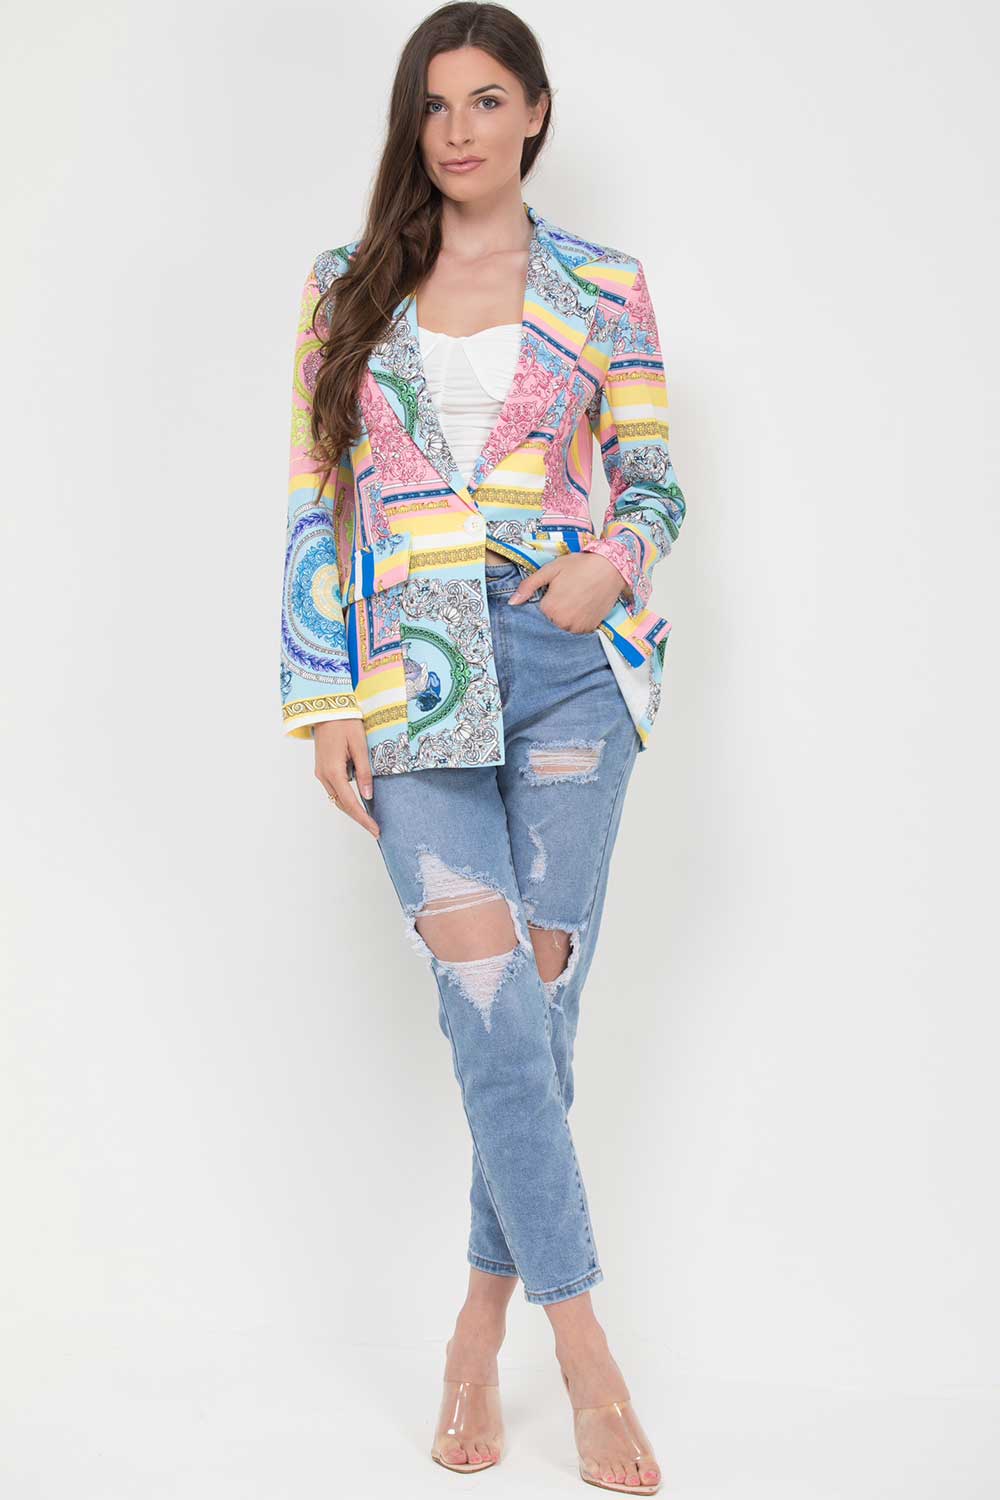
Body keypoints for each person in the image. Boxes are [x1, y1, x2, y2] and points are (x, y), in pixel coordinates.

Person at [279, 4, 686, 1491]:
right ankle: (578, 1352)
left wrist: (611, 567)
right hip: (415, 675)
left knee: (538, 1019)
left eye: (487, 100)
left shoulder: (605, 285)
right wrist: (324, 698)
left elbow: (655, 477)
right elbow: (315, 499)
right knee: (495, 1013)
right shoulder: (345, 288)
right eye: (435, 104)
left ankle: (476, 1327)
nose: (458, 129)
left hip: (570, 672)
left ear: (535, 113)